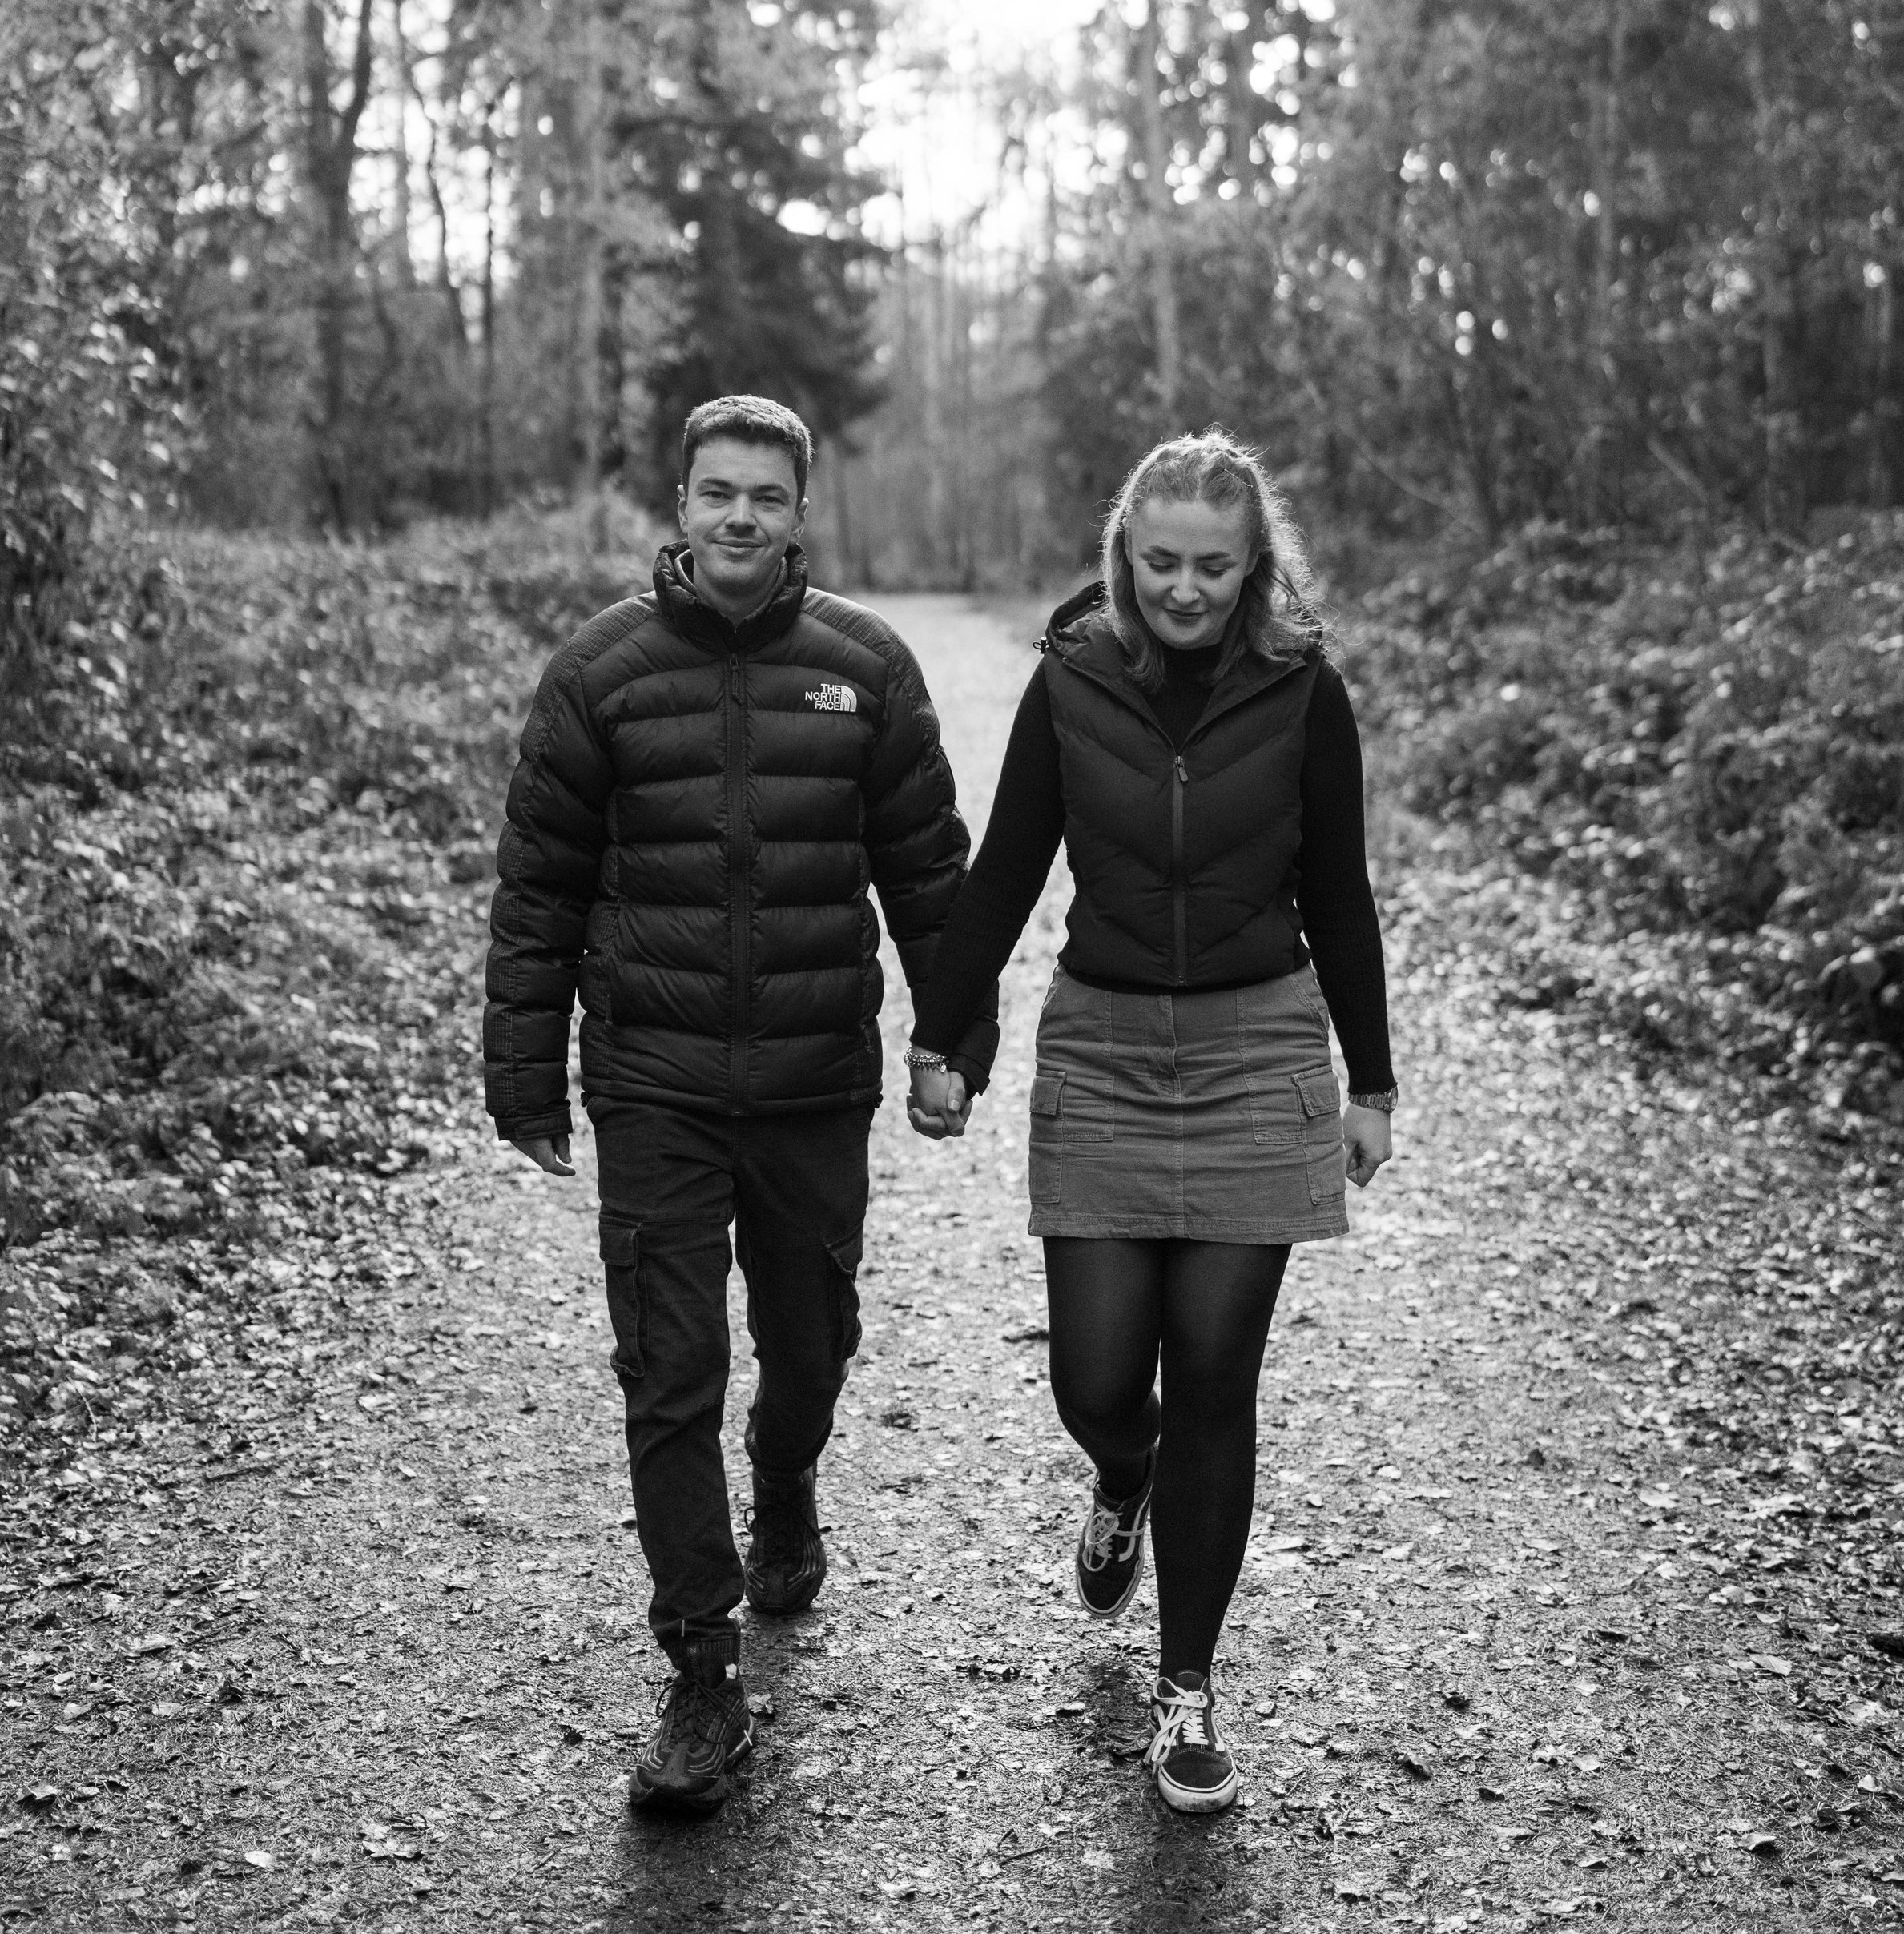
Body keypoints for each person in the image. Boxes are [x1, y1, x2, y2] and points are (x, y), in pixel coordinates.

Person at [482, 395, 996, 1815]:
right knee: (669, 1365)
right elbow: (539, 889)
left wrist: (952, 1042)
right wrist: (523, 1071)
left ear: (799, 512)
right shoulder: (599, 672)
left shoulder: (865, 669)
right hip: (652, 1080)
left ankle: (787, 1475)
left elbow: (932, 876)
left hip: (814, 1080)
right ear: (682, 503)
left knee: (810, 1343)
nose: (740, 517)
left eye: (766, 496)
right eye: (718, 491)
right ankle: (702, 1671)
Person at [905, 430, 1395, 1817]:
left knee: (1218, 1377)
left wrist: (1371, 1080)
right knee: (1098, 1376)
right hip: (1107, 1050)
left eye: (1213, 567)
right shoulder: (1074, 675)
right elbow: (1008, 865)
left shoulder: (1305, 690)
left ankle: (1187, 1692)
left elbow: (1340, 889)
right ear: (1127, 551)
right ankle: (1124, 1471)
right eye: (1163, 561)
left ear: (1254, 566)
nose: (1186, 589)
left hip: (1257, 1050)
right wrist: (940, 1036)